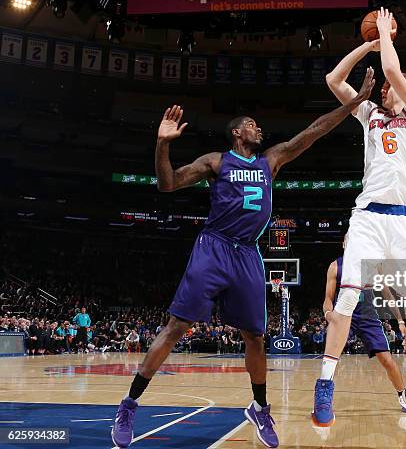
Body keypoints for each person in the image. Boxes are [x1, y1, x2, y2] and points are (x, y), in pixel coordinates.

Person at [111, 70, 375, 449]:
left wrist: (352, 103)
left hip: (248, 252)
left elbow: (313, 131)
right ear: (237, 132)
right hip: (214, 247)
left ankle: (259, 407)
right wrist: (162, 145)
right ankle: (130, 405)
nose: (258, 129)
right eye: (252, 125)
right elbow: (167, 184)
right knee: (176, 327)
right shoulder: (216, 162)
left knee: (256, 335)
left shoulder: (272, 160)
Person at [312, 7, 406, 437]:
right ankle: (325, 383)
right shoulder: (370, 116)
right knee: (345, 300)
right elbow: (333, 81)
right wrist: (369, 42)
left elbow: (394, 70)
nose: (387, 87)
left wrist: (387, 41)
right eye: (384, 87)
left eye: (394, 85)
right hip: (367, 216)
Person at [323, 253, 406, 412]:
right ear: (345, 244)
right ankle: (323, 404)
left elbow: (387, 294)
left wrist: (400, 320)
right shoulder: (335, 266)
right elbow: (328, 298)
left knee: (387, 360)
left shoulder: (373, 266)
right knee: (331, 360)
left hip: (368, 317)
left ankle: (402, 396)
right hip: (343, 317)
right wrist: (329, 315)